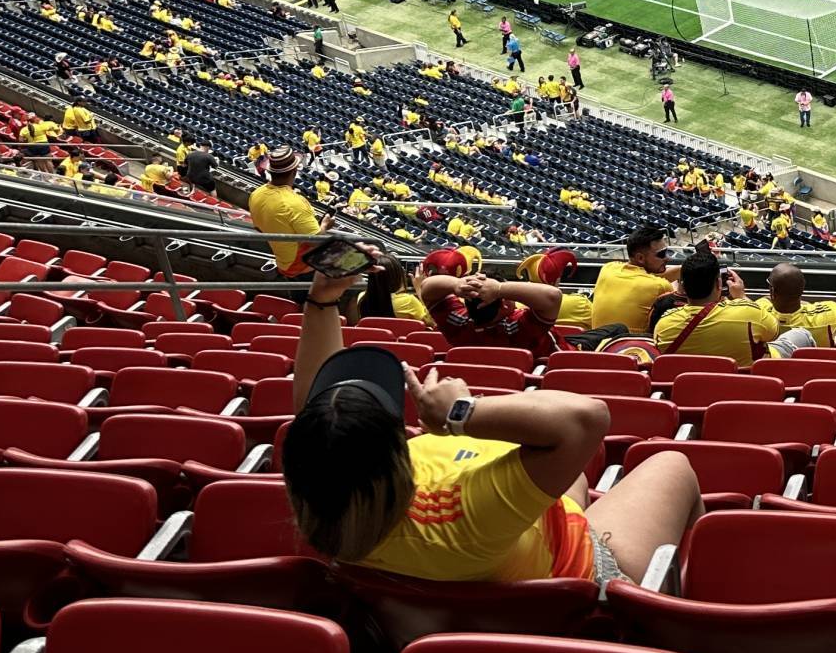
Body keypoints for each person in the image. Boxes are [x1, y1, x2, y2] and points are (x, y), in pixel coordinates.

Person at [282, 264, 699, 586]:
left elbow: (313, 419)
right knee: (672, 464)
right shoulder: (470, 508)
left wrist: (323, 299)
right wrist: (462, 412)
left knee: (562, 463)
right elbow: (587, 419)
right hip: (575, 575)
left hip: (496, 550)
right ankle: (676, 610)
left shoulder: (325, 503)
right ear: (395, 455)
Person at [419, 262, 564, 362]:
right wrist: (499, 289)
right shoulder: (518, 329)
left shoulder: (456, 323)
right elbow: (553, 296)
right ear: (504, 305)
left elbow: (426, 286)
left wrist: (457, 284)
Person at [649, 253, 778, 363]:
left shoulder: (663, 325)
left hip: (689, 388)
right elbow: (774, 333)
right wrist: (741, 296)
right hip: (741, 387)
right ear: (719, 283)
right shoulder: (749, 313)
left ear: (682, 287)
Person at [248, 144, 323, 273]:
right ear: (294, 171)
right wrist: (326, 225)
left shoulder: (256, 194)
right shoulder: (295, 203)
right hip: (297, 265)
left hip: (280, 260)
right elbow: (316, 243)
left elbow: (258, 228)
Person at [591, 224, 676, 334]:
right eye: (661, 254)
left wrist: (680, 270)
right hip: (633, 347)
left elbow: (644, 278)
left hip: (599, 345)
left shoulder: (608, 268)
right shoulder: (660, 286)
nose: (667, 258)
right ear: (640, 258)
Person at [763, 262, 836, 352]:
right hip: (817, 365)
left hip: (775, 365)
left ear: (772, 291)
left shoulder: (761, 314)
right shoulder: (829, 312)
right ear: (803, 287)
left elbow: (756, 303)